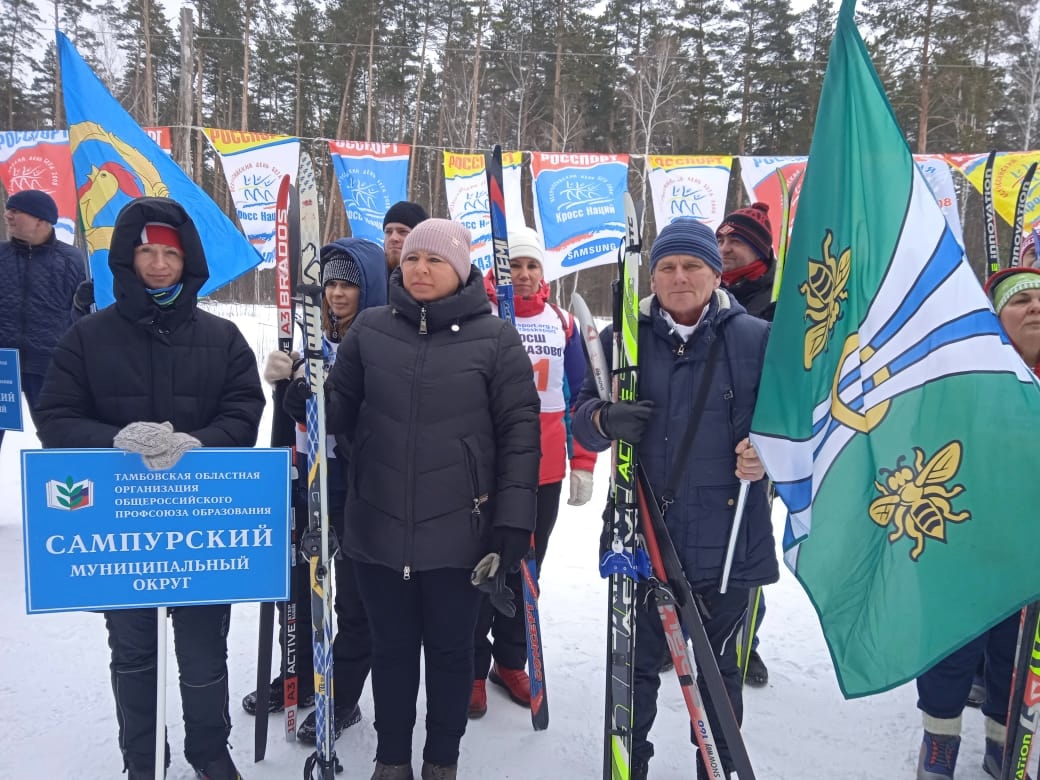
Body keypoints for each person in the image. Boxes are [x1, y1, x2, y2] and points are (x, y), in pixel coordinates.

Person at [34, 197, 265, 780]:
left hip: (201, 530)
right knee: (134, 655)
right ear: (126, 258)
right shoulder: (88, 337)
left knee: (204, 652)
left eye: (170, 252)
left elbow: (243, 411)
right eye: (146, 252)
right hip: (122, 533)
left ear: (187, 261)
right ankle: (141, 759)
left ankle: (209, 751)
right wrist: (115, 439)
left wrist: (200, 443)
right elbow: (57, 415)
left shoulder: (223, 338)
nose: (159, 263)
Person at [325, 218, 540, 780]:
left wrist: (513, 522)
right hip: (376, 527)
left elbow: (520, 433)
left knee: (450, 655)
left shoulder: (495, 339)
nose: (420, 269)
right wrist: (301, 388)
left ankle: (442, 759)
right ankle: (391, 758)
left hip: (459, 534)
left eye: (435, 261)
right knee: (391, 653)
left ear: (461, 271)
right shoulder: (370, 330)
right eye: (413, 259)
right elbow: (335, 415)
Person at [573, 217, 777, 780]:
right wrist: (602, 418)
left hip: (730, 546)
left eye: (692, 266)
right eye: (667, 266)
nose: (679, 277)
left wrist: (767, 455)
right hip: (641, 540)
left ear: (716, 273)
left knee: (715, 684)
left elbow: (794, 433)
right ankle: (627, 767)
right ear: (652, 273)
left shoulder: (755, 340)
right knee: (632, 674)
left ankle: (716, 769)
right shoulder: (623, 340)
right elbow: (581, 420)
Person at [244, 237, 387, 744]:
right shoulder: (310, 336)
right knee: (306, 585)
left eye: (349, 283)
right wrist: (283, 385)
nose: (338, 293)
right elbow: (295, 419)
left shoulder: (380, 339)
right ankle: (300, 677)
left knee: (352, 599)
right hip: (311, 476)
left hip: (358, 483)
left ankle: (343, 697)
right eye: (331, 283)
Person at [914, 265, 1040, 780]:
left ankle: (1002, 742)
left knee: (1016, 656)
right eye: (1020, 301)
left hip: (1028, 553)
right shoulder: (965, 373)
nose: (1034, 307)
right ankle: (939, 742)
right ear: (995, 318)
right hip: (963, 542)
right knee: (950, 651)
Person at [470, 225, 597, 716]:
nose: (522, 275)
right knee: (479, 568)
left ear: (543, 273)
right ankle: (472, 668)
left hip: (543, 472)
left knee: (526, 569)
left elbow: (584, 395)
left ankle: (512, 659)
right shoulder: (478, 317)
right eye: (513, 266)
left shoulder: (561, 323)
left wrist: (582, 462)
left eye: (531, 266)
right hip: (485, 470)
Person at [716, 201, 777, 688]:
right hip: (705, 435)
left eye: (734, 240)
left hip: (759, 445)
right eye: (720, 239)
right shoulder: (707, 292)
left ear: (758, 248)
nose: (724, 247)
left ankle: (743, 641)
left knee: (747, 545)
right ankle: (695, 629)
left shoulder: (780, 296)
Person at [0, 188, 89, 447]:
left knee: (58, 440)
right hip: (3, 367)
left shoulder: (73, 260)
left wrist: (83, 301)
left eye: (16, 211)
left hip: (49, 365)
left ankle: (62, 487)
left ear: (41, 219)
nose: (8, 215)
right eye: (8, 209)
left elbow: (82, 319)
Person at [382, 201, 428, 271]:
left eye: (403, 231)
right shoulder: (369, 276)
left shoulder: (434, 278)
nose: (393, 238)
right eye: (388, 232)